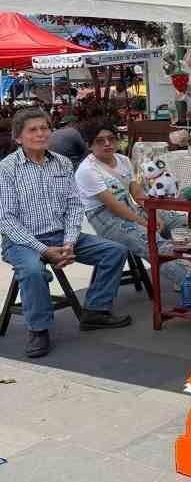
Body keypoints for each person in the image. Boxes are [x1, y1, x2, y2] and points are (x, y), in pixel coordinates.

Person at [0, 109, 132, 358]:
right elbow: (6, 219)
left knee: (115, 251)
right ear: (18, 138)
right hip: (22, 241)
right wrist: (43, 250)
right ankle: (38, 329)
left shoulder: (61, 162)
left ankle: (95, 311)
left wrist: (70, 241)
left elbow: (74, 205)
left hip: (62, 235)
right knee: (32, 270)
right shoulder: (7, 169)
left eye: (44, 128)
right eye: (33, 130)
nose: (41, 134)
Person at [75, 119, 191, 294]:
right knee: (155, 243)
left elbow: (138, 194)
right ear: (89, 145)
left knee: (182, 224)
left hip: (130, 210)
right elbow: (113, 205)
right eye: (100, 141)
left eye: (111, 138)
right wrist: (145, 222)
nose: (107, 144)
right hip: (108, 220)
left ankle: (189, 276)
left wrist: (154, 214)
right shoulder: (87, 170)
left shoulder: (123, 160)